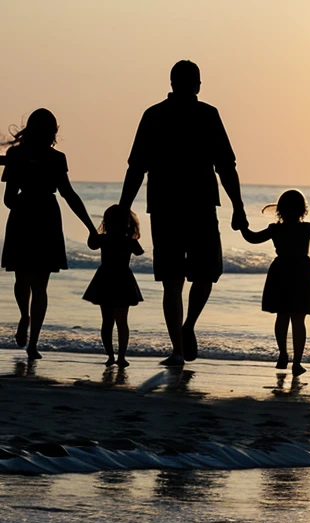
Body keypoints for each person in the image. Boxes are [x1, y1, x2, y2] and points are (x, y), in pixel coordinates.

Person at [119, 60, 248, 366]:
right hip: (199, 205)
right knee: (203, 274)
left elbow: (136, 168)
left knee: (174, 279)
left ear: (172, 82)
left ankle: (179, 343)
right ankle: (185, 330)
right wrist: (237, 206)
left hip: (165, 206)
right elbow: (226, 166)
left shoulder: (154, 115)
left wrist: (124, 207)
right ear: (197, 85)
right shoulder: (206, 114)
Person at [1, 108, 98, 359]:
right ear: (54, 131)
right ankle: (32, 342)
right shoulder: (56, 158)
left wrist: (24, 203)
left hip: (23, 216)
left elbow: (9, 199)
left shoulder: (16, 155)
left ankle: (25, 318)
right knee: (39, 285)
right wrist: (90, 227)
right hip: (47, 216)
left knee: (22, 279)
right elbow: (68, 194)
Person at [241, 190, 310, 375]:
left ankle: (283, 353)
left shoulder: (276, 229)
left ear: (280, 210)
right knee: (298, 319)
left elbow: (252, 238)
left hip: (281, 271)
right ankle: (297, 362)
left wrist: (242, 225)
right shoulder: (307, 228)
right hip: (301, 273)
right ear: (303, 210)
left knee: (282, 316)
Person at [83, 205, 144, 367]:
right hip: (122, 278)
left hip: (106, 278)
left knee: (107, 321)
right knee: (121, 321)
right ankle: (120, 357)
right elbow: (139, 252)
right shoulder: (128, 240)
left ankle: (111, 356)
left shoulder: (104, 238)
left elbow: (92, 244)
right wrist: (131, 237)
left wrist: (92, 231)